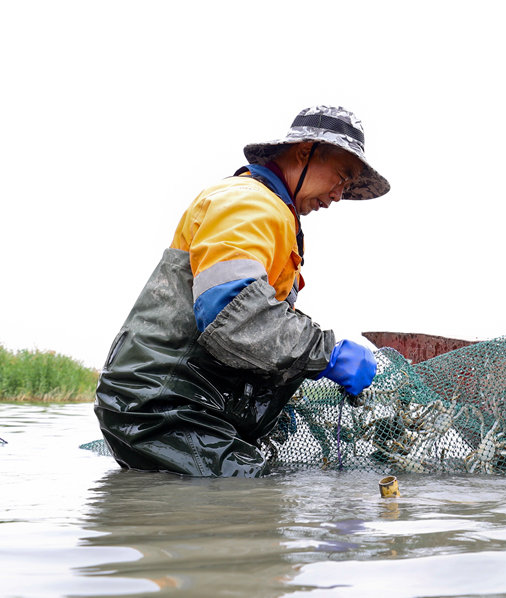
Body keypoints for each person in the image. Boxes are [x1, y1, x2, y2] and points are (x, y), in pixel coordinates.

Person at [94, 106, 388, 477]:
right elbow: (229, 313)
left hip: (189, 403)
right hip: (162, 406)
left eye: (347, 188)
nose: (338, 195)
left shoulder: (275, 214)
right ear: (306, 151)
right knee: (249, 497)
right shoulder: (249, 202)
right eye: (342, 177)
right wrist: (327, 353)